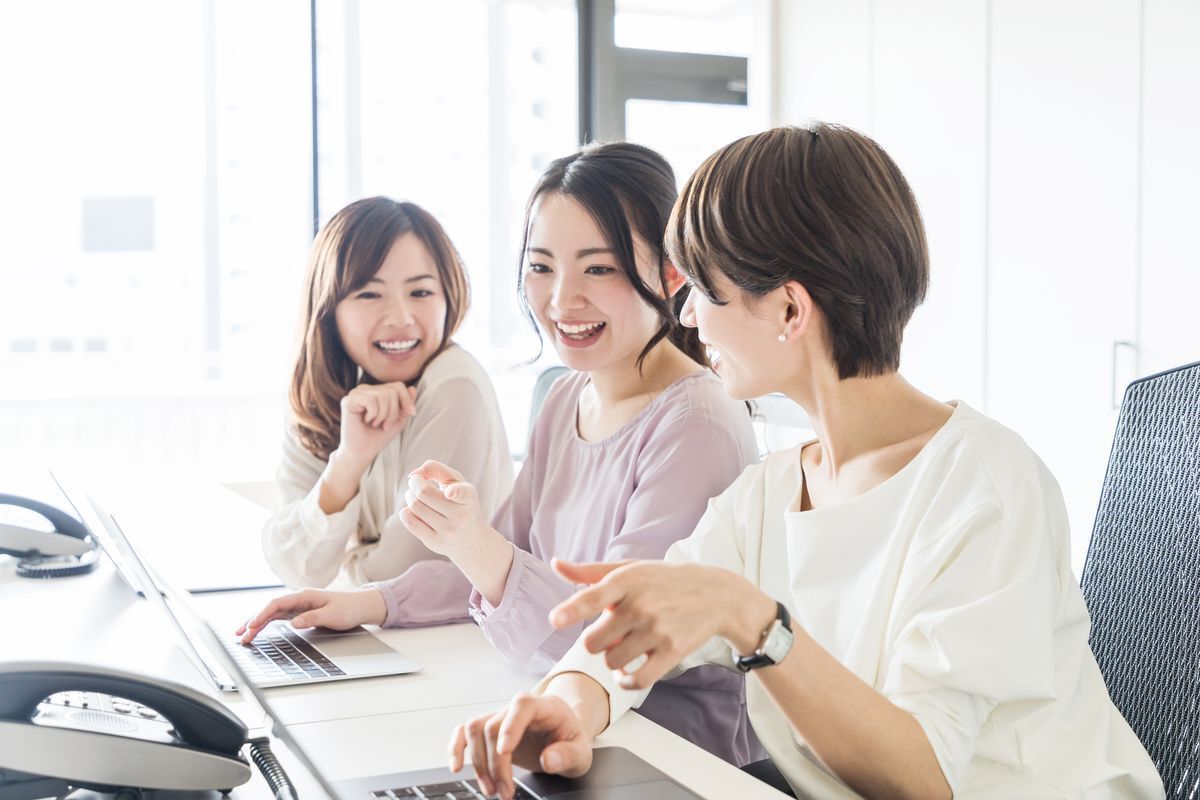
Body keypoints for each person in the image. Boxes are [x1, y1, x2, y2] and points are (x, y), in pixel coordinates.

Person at [444, 125, 1165, 800]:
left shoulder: (984, 484)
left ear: (789, 311)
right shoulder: (770, 493)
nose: (687, 315)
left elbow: (923, 778)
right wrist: (568, 709)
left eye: (705, 289)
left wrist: (756, 623)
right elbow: (630, 641)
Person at [238, 143, 763, 767]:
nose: (562, 301)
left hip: (672, 752)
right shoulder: (568, 396)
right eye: (542, 267)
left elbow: (620, 642)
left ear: (672, 276)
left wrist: (471, 542)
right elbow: (498, 561)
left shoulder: (696, 423)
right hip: (563, 717)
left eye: (599, 269)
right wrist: (370, 603)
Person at [260, 197, 514, 589]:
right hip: (383, 637)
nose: (400, 318)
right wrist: (348, 461)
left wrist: (345, 563)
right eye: (369, 294)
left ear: (449, 295)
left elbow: (409, 574)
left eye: (421, 292)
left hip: (452, 641)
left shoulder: (454, 384)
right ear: (329, 308)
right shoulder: (324, 394)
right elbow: (295, 567)